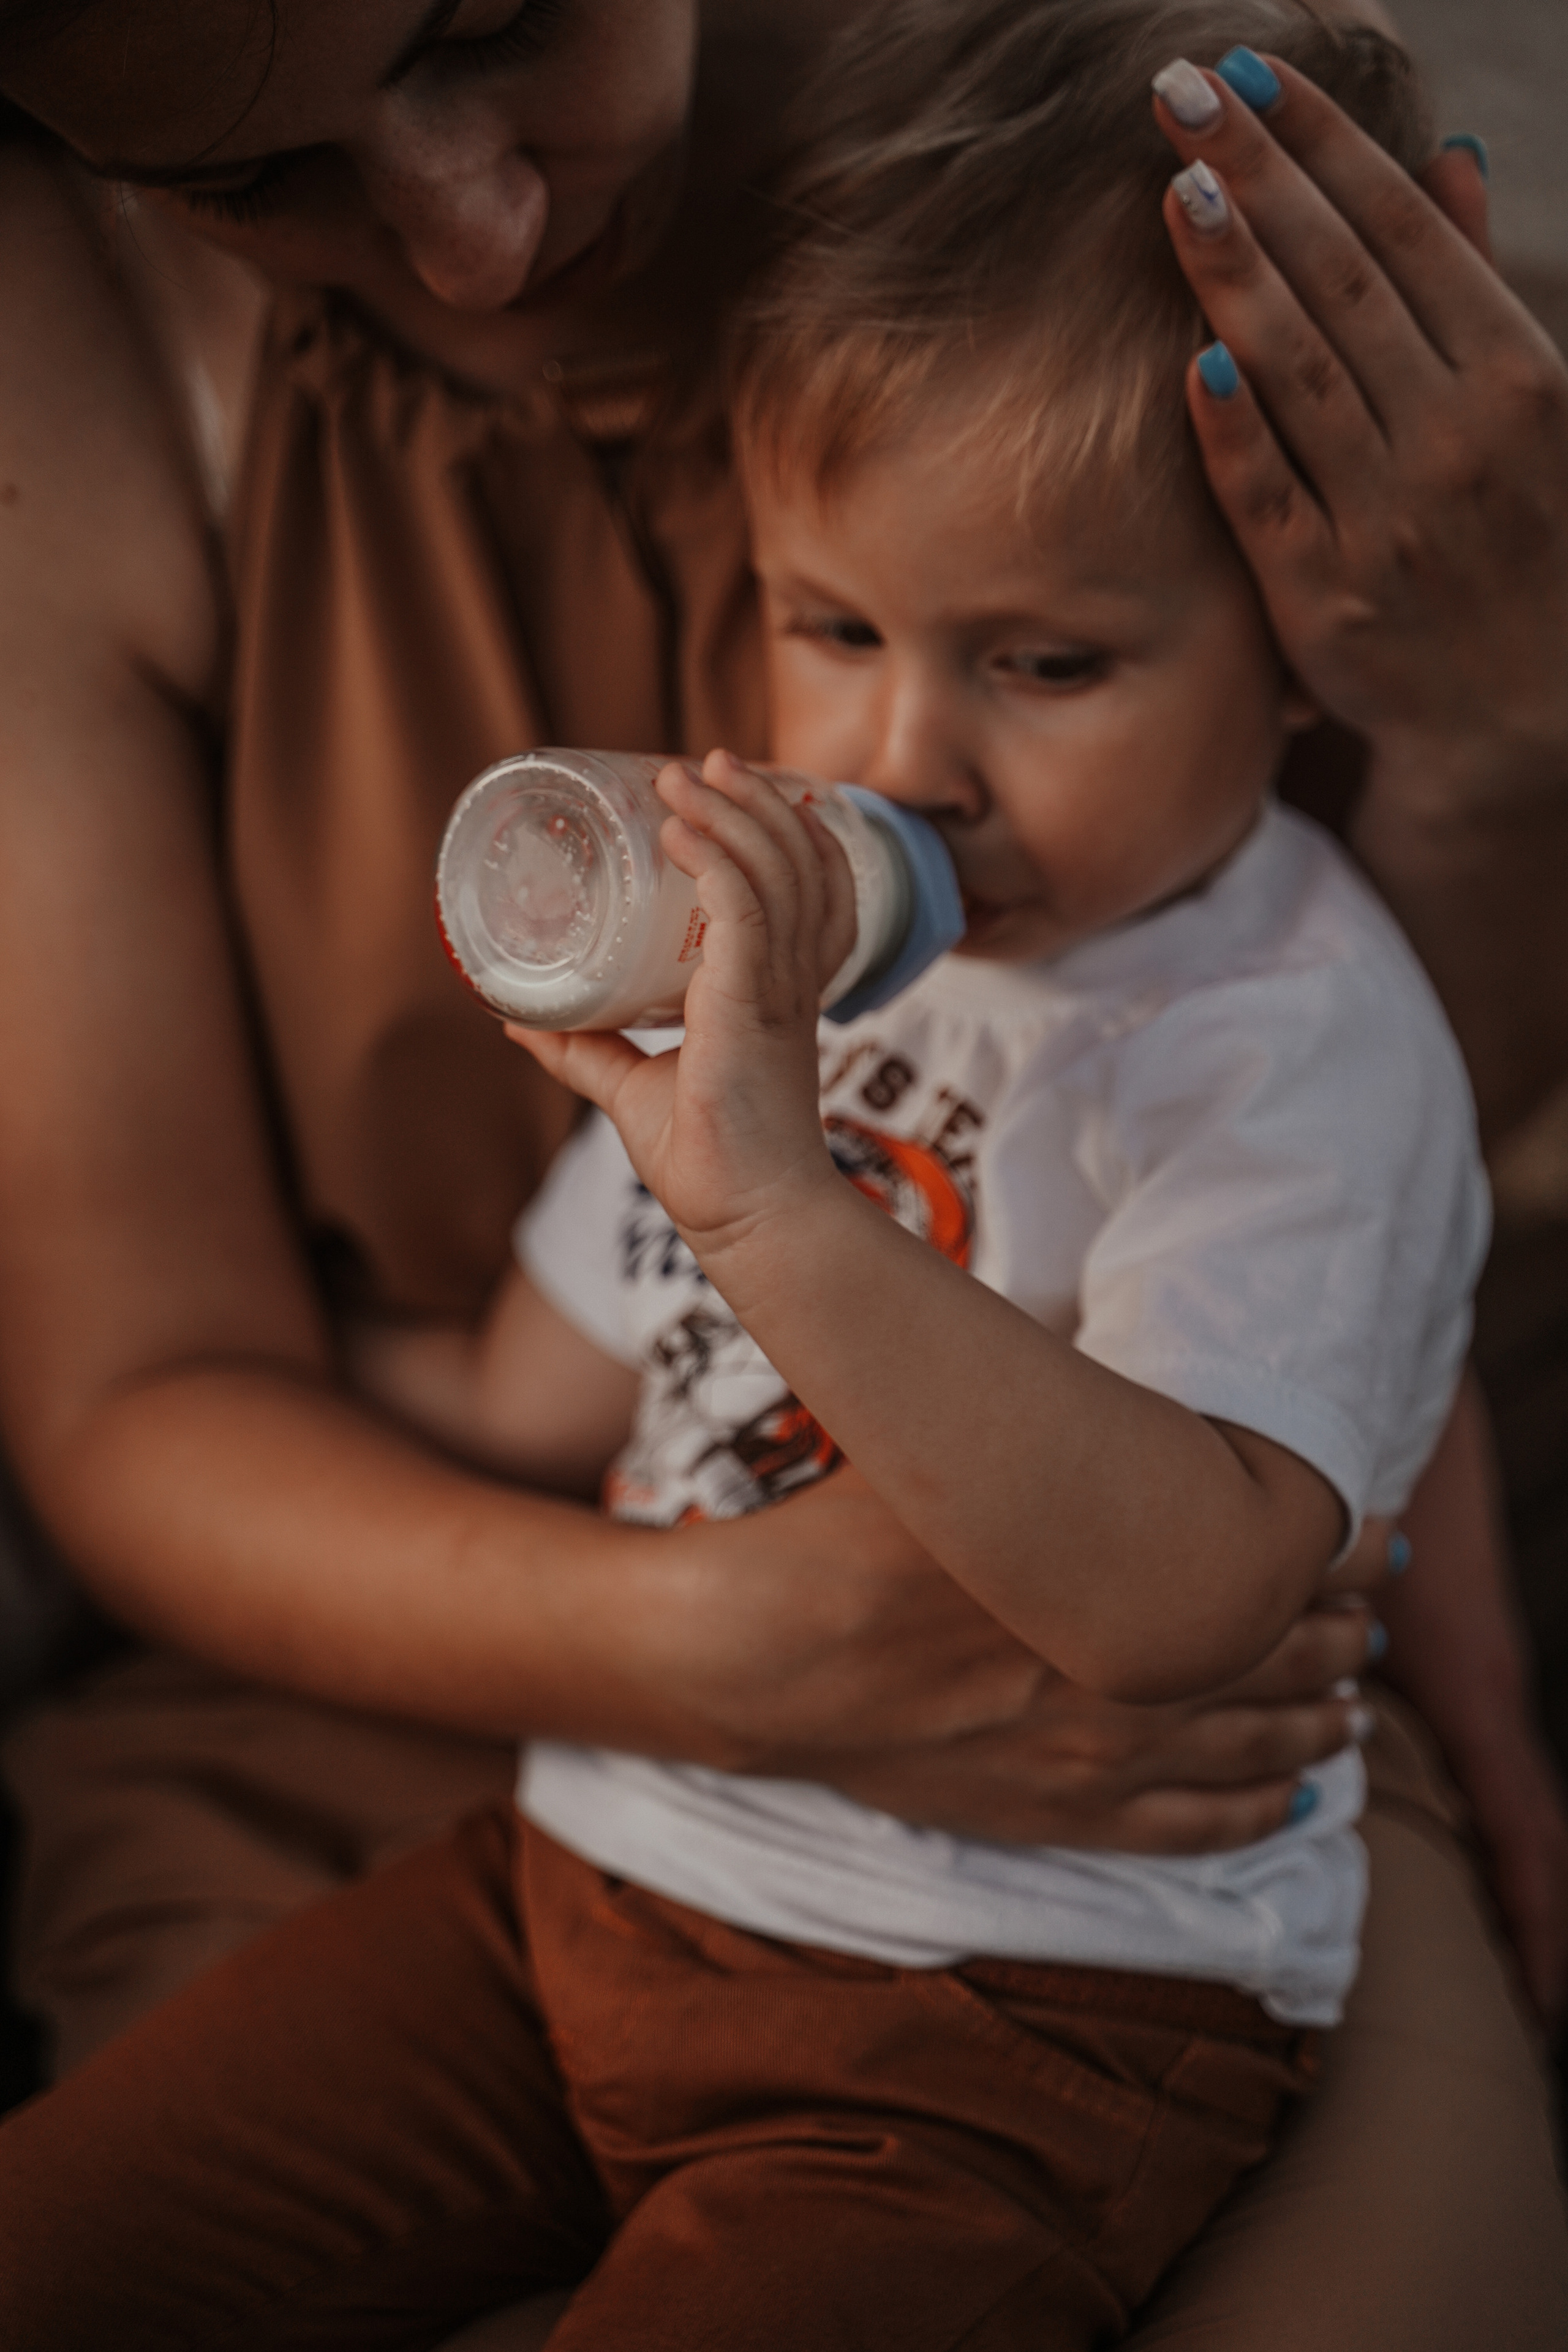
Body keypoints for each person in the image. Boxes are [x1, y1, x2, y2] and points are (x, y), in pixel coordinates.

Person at [0, 0, 1561, 2340]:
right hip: (602, 1860)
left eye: (1040, 660)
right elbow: (537, 1377)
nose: (899, 758)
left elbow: (1193, 1581)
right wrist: (401, 1405)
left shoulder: (1287, 1032)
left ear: (1299, 636)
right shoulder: (812, 961)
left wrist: (773, 1215)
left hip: (1011, 1998)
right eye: (827, 627)